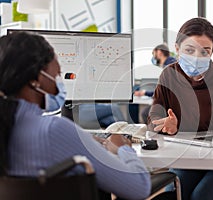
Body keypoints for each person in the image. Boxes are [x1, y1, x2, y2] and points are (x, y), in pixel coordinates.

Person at [0, 31, 151, 200]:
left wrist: (82, 140)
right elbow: (139, 188)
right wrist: (124, 148)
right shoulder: (53, 131)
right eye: (57, 75)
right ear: (36, 79)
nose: (59, 83)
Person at [148, 17, 213, 200]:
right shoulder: (168, 76)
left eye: (205, 52)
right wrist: (167, 126)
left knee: (200, 197)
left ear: (212, 53)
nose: (196, 57)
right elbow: (153, 121)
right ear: (177, 48)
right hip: (190, 161)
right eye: (189, 50)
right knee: (174, 194)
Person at [134, 44, 176, 123]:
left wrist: (147, 94)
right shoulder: (171, 64)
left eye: (154, 54)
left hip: (171, 103)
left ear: (159, 52)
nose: (154, 57)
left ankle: (155, 133)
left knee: (146, 113)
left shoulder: (169, 67)